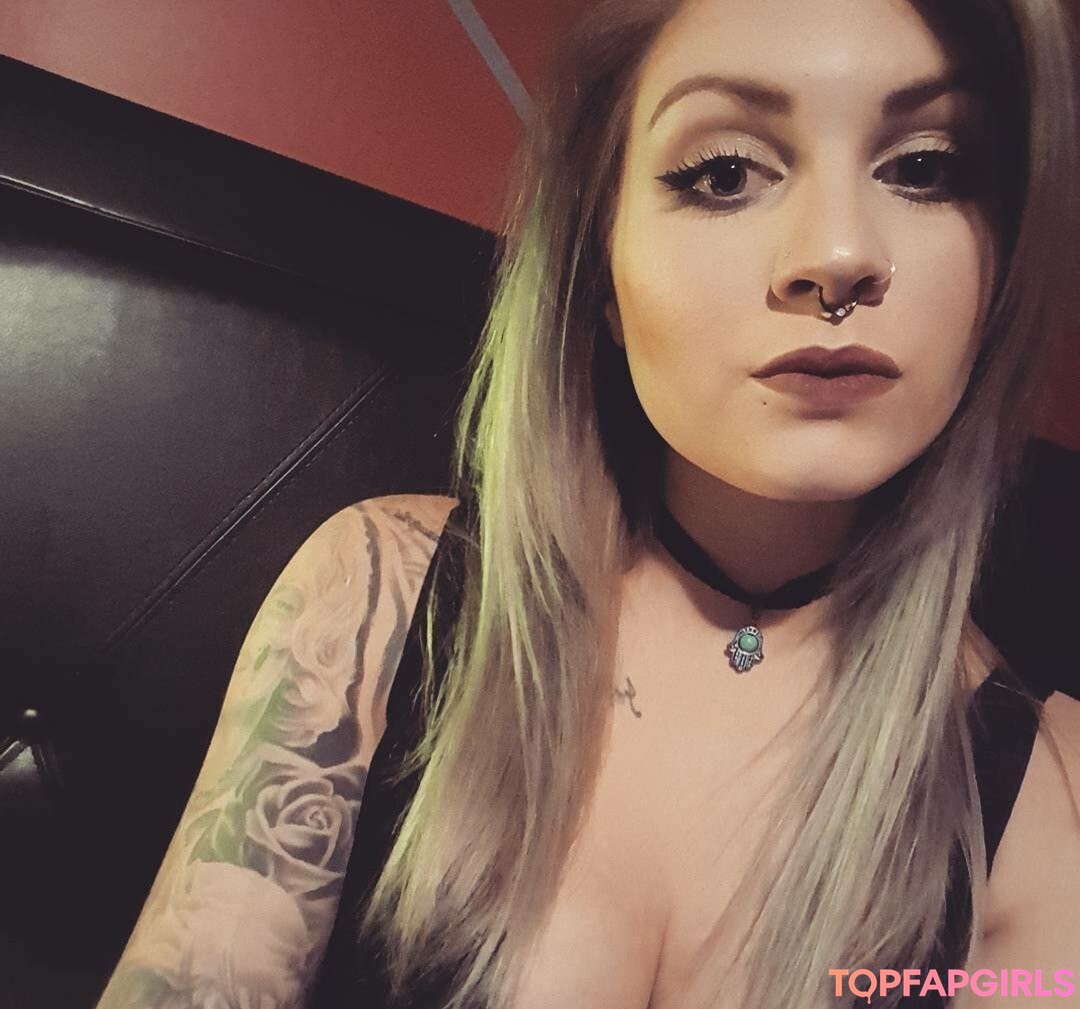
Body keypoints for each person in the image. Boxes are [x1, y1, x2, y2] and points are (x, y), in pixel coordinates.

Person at [94, 0, 1080, 1007]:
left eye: (926, 168)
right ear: (600, 266)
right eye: (725, 173)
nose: (837, 255)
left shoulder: (1057, 799)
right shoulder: (379, 596)